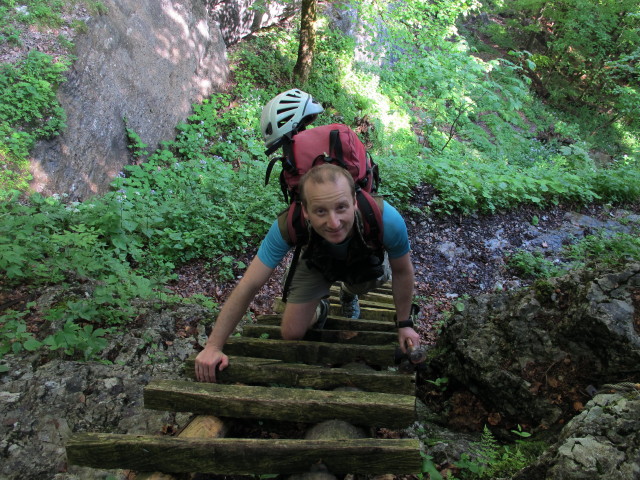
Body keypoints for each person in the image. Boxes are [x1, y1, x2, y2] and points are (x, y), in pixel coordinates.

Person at [194, 90, 421, 383]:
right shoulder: (290, 224)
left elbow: (403, 271)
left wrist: (404, 324)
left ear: (355, 200)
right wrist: (213, 346)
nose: (334, 222)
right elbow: (250, 283)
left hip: (362, 259)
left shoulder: (384, 218)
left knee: (376, 276)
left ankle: (349, 293)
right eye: (320, 212)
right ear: (305, 210)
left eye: (341, 207)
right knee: (290, 333)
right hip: (317, 259)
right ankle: (322, 304)